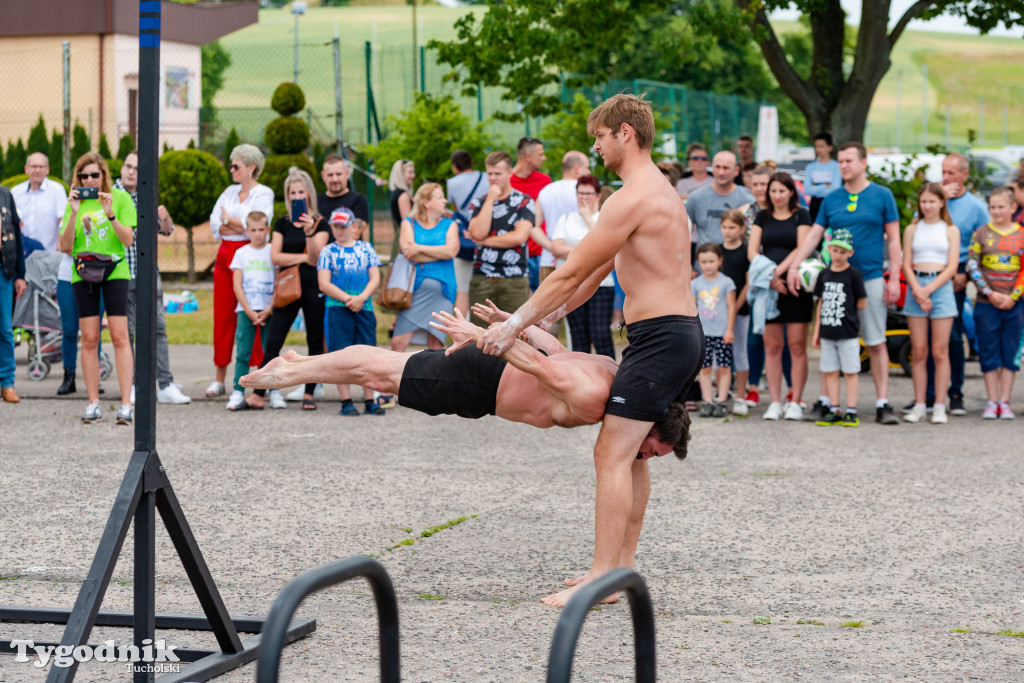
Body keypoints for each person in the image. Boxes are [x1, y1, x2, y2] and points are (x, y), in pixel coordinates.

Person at [474, 94, 704, 607]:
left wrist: (515, 324)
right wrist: (545, 317)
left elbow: (573, 270)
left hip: (664, 338)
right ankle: (618, 570)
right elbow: (593, 271)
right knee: (632, 455)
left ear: (625, 133)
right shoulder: (650, 192)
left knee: (612, 453)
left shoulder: (634, 196)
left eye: (598, 136)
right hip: (668, 335)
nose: (594, 147)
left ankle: (604, 578)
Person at [240, 302, 690, 461]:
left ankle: (301, 364)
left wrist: (512, 326)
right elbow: (539, 367)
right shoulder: (596, 399)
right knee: (380, 372)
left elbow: (554, 350)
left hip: (490, 374)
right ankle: (290, 372)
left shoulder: (611, 370)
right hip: (484, 381)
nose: (644, 457)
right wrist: (486, 336)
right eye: (651, 449)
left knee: (385, 370)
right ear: (648, 421)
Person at [786, 142, 903, 425]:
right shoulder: (832, 198)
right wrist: (794, 266)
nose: (844, 166)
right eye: (840, 161)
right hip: (835, 282)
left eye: (849, 160)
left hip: (871, 277)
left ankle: (882, 403)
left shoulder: (882, 195)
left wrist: (895, 277)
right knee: (831, 341)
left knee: (875, 342)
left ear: (864, 163)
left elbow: (895, 240)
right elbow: (814, 237)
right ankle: (828, 402)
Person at [909, 153, 992, 416]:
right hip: (923, 275)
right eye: (943, 172)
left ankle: (953, 392)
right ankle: (928, 396)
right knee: (923, 345)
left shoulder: (976, 207)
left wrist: (966, 275)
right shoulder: (932, 199)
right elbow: (916, 230)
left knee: (951, 338)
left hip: (956, 273)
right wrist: (941, 195)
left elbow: (983, 245)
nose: (946, 178)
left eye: (952, 173)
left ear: (964, 175)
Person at [59, 153, 137, 424]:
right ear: (78, 178)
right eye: (84, 176)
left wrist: (111, 214)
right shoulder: (75, 201)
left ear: (104, 174)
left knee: (120, 336)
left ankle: (126, 403)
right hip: (83, 271)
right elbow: (65, 246)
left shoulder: (120, 197)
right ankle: (93, 402)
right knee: (89, 339)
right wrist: (74, 212)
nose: (90, 180)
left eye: (94, 175)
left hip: (115, 270)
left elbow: (127, 240)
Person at [250, 168, 330, 410]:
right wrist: (302, 258)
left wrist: (308, 234)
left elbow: (315, 258)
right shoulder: (282, 223)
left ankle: (309, 393)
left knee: (315, 339)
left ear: (309, 194)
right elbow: (275, 256)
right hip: (288, 286)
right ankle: (258, 393)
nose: (296, 197)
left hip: (313, 286)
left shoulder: (320, 223)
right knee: (275, 338)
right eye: (292, 193)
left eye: (300, 192)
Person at [115, 151, 190, 405]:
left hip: (148, 273)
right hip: (121, 274)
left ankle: (165, 384)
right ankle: (134, 384)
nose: (131, 171)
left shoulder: (148, 196)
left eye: (137, 168)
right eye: (128, 166)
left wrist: (164, 215)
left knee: (158, 329)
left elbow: (167, 231)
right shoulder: (112, 197)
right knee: (129, 333)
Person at [207, 144, 274, 398]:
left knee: (254, 313)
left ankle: (256, 376)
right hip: (225, 257)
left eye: (236, 165)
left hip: (251, 258)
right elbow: (215, 224)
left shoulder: (264, 193)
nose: (231, 169)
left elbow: (256, 225)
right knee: (223, 317)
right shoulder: (229, 192)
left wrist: (229, 221)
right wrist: (233, 224)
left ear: (251, 168)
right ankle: (219, 378)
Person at [748, 172, 812, 421]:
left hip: (794, 285)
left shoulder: (801, 215)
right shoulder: (761, 216)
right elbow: (753, 251)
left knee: (796, 346)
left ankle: (795, 400)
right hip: (769, 287)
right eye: (773, 191)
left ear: (791, 192)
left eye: (781, 191)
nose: (776, 196)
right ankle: (774, 401)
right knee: (772, 347)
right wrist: (770, 278)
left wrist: (779, 272)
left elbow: (802, 247)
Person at [10, 153, 73, 394]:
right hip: (21, 260)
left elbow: (62, 223)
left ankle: (46, 345)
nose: (37, 170)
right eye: (33, 166)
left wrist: (57, 256)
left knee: (47, 307)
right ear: (26, 168)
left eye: (41, 166)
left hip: (49, 261)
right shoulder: (15, 193)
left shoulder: (57, 190)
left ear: (47, 169)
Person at [900, 184, 960, 424]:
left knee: (940, 351)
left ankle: (939, 406)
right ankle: (920, 404)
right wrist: (918, 290)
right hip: (916, 287)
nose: (927, 206)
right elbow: (906, 263)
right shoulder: (912, 229)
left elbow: (952, 266)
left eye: (932, 202)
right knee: (919, 351)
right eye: (923, 202)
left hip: (940, 288)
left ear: (941, 202)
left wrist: (929, 290)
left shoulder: (950, 230)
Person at [317, 206, 383, 416]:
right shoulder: (327, 251)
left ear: (354, 226)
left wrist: (361, 298)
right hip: (338, 308)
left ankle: (370, 399)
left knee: (369, 353)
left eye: (343, 226)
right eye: (335, 226)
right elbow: (324, 283)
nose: (339, 230)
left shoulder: (366, 248)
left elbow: (375, 278)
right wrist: (347, 299)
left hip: (364, 307)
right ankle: (345, 400)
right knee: (340, 353)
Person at [966, 187, 1024, 419]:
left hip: (1015, 304)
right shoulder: (980, 233)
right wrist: (989, 293)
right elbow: (972, 265)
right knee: (989, 351)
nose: (996, 211)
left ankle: (1005, 401)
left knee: (1011, 353)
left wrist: (1013, 296)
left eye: (1001, 207)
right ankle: (991, 401)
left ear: (1012, 208)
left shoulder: (1021, 234)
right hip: (986, 303)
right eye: (993, 207)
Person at [466, 151, 534, 327]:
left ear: (510, 172)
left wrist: (484, 242)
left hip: (515, 279)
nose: (493, 178)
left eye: (498, 173)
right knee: (479, 334)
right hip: (482, 278)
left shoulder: (524, 201)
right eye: (489, 174)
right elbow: (478, 232)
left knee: (516, 332)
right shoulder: (479, 202)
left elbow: (519, 237)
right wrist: (491, 199)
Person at [549, 174, 615, 358]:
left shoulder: (604, 217)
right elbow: (556, 247)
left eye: (588, 193)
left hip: (601, 284)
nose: (584, 197)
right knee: (579, 337)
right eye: (581, 193)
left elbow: (604, 245)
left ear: (598, 195)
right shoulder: (566, 218)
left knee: (600, 334)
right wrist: (586, 253)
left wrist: (588, 218)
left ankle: (611, 375)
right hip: (571, 284)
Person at [391, 183, 459, 352]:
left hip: (443, 292)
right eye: (440, 197)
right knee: (398, 342)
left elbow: (451, 251)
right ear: (426, 203)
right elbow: (408, 253)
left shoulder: (450, 225)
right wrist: (438, 252)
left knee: (436, 345)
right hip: (414, 291)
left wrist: (419, 248)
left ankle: (429, 379)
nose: (445, 201)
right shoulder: (409, 223)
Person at [811, 229, 867, 427]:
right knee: (830, 371)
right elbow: (820, 303)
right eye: (834, 251)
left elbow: (862, 302)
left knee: (850, 371)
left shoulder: (854, 275)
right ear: (829, 250)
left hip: (848, 333)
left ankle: (851, 410)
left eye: (842, 252)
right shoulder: (824, 274)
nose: (837, 255)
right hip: (827, 333)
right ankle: (834, 408)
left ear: (850, 253)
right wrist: (817, 331)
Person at [226, 212, 274, 411]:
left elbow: (280, 280)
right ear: (246, 231)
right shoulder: (242, 253)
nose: (258, 234)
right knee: (243, 352)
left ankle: (274, 390)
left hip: (269, 310)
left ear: (268, 230)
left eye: (261, 229)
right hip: (246, 311)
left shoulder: (273, 251)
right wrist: (248, 310)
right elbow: (237, 285)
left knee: (270, 352)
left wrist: (270, 309)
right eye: (253, 230)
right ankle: (238, 390)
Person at [691, 243, 736, 417]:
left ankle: (722, 400)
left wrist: (730, 330)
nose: (708, 265)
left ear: (720, 261)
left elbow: (731, 307)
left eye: (711, 261)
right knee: (705, 368)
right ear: (698, 263)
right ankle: (708, 401)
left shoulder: (726, 282)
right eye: (703, 262)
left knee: (724, 367)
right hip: (703, 334)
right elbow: (692, 307)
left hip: (722, 332)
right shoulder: (696, 284)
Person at [538, 151, 591, 284]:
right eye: (587, 167)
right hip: (579, 261)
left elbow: (532, 226)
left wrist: (552, 248)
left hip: (548, 260)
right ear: (577, 169)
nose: (589, 172)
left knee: (546, 304)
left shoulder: (546, 190)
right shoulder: (587, 193)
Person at [446, 150, 488, 315]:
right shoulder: (487, 177)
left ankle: (461, 327)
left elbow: (456, 207)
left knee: (462, 288)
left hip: (465, 236)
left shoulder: (452, 182)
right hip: (486, 234)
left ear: (455, 167)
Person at [686, 151, 755, 246]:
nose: (721, 172)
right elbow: (684, 229)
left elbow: (754, 235)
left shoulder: (748, 199)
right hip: (704, 258)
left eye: (726, 168)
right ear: (712, 168)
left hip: (736, 258)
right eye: (717, 167)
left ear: (736, 171)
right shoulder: (696, 197)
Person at [719, 210, 750, 415]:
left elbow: (749, 281)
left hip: (740, 309)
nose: (728, 231)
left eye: (732, 227)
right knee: (718, 353)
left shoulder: (746, 252)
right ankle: (721, 395)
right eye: (725, 227)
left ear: (741, 229)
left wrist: (736, 305)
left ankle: (741, 395)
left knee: (739, 352)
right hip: (718, 311)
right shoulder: (717, 251)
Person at [510, 137, 552, 291]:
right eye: (540, 154)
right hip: (515, 255)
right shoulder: (507, 182)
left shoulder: (545, 181)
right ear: (528, 156)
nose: (544, 158)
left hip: (542, 253)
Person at [0, 183, 27, 403]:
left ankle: (7, 383)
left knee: (5, 330)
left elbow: (16, 234)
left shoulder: (4, 194)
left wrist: (20, 274)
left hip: (4, 270)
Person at [319, 154, 369, 240]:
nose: (334, 179)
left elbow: (354, 234)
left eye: (338, 174)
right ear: (323, 176)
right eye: (330, 175)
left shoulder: (358, 200)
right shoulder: (314, 201)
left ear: (347, 174)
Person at [804, 132, 842, 222]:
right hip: (815, 204)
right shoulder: (811, 167)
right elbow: (807, 189)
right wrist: (826, 185)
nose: (818, 149)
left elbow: (835, 188)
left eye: (821, 146)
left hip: (831, 202)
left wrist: (815, 186)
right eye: (816, 146)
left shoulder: (836, 166)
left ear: (830, 147)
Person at [388, 158, 416, 252]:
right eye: (410, 172)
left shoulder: (397, 193)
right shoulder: (403, 195)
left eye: (413, 172)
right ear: (400, 174)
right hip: (405, 239)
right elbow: (408, 222)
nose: (413, 175)